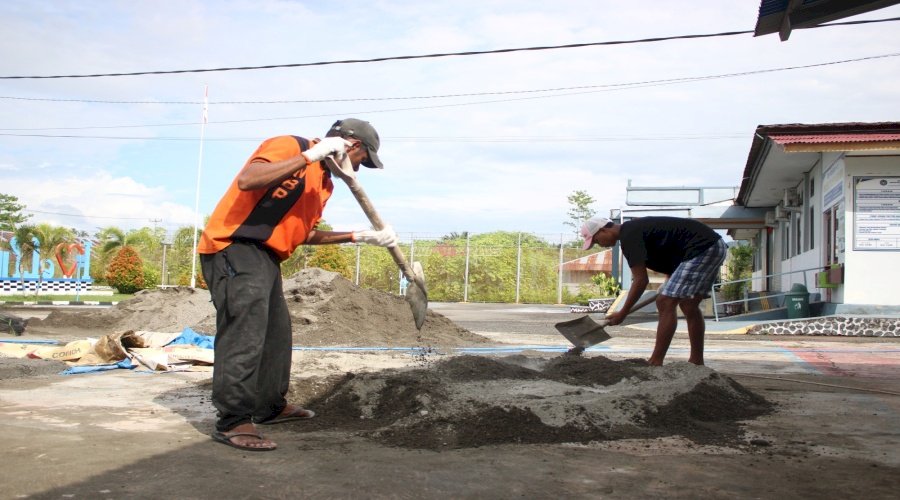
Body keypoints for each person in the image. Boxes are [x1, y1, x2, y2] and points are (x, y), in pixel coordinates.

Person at [197, 118, 398, 451]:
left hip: (266, 257)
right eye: (362, 160)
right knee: (244, 332)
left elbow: (302, 233)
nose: (358, 169)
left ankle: (268, 407)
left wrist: (355, 237)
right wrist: (312, 154)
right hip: (234, 246)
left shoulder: (324, 184)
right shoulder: (292, 146)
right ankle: (233, 420)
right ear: (352, 146)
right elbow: (248, 181)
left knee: (276, 335)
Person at [581, 215, 726, 366]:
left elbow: (641, 280)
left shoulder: (629, 236)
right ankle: (696, 361)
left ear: (603, 230)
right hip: (712, 246)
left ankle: (656, 361)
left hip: (702, 248)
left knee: (665, 301)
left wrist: (623, 313)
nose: (600, 244)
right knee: (688, 305)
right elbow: (674, 253)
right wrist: (669, 280)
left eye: (597, 240)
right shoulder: (635, 230)